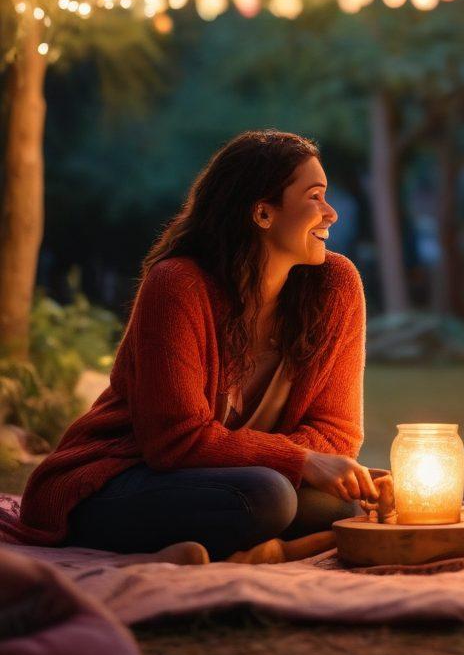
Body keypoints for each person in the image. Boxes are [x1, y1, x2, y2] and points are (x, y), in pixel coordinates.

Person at [17, 130, 378, 563]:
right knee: (269, 497)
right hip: (119, 478)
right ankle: (253, 549)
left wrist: (316, 466)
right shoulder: (178, 285)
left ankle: (236, 551)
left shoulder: (335, 286)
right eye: (315, 197)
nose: (331, 214)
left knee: (343, 506)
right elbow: (175, 442)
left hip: (235, 480)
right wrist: (301, 460)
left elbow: (337, 434)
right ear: (263, 213)